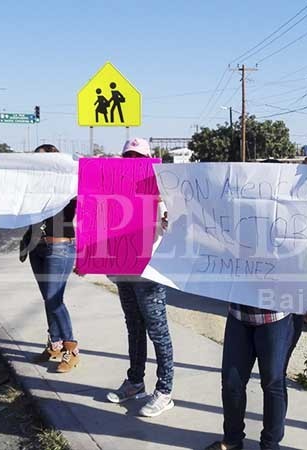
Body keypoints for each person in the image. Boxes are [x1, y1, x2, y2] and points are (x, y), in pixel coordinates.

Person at [205, 158, 307, 450]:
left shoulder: (290, 226)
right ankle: (232, 440)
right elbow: (199, 234)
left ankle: (270, 444)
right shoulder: (232, 221)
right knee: (232, 383)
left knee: (272, 383)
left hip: (277, 318)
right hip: (239, 315)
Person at [105, 137, 175, 418]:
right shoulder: (111, 189)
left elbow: (175, 224)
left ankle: (165, 391)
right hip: (123, 270)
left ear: (148, 161)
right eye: (128, 157)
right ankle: (135, 382)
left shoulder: (160, 189)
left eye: (139, 158)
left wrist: (169, 218)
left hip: (149, 272)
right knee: (134, 327)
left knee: (157, 331)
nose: (133, 162)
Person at [20, 144, 80, 372]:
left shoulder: (69, 183)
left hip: (60, 247)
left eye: (43, 159)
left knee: (54, 300)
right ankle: (54, 344)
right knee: (48, 298)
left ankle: (71, 349)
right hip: (37, 248)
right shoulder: (32, 186)